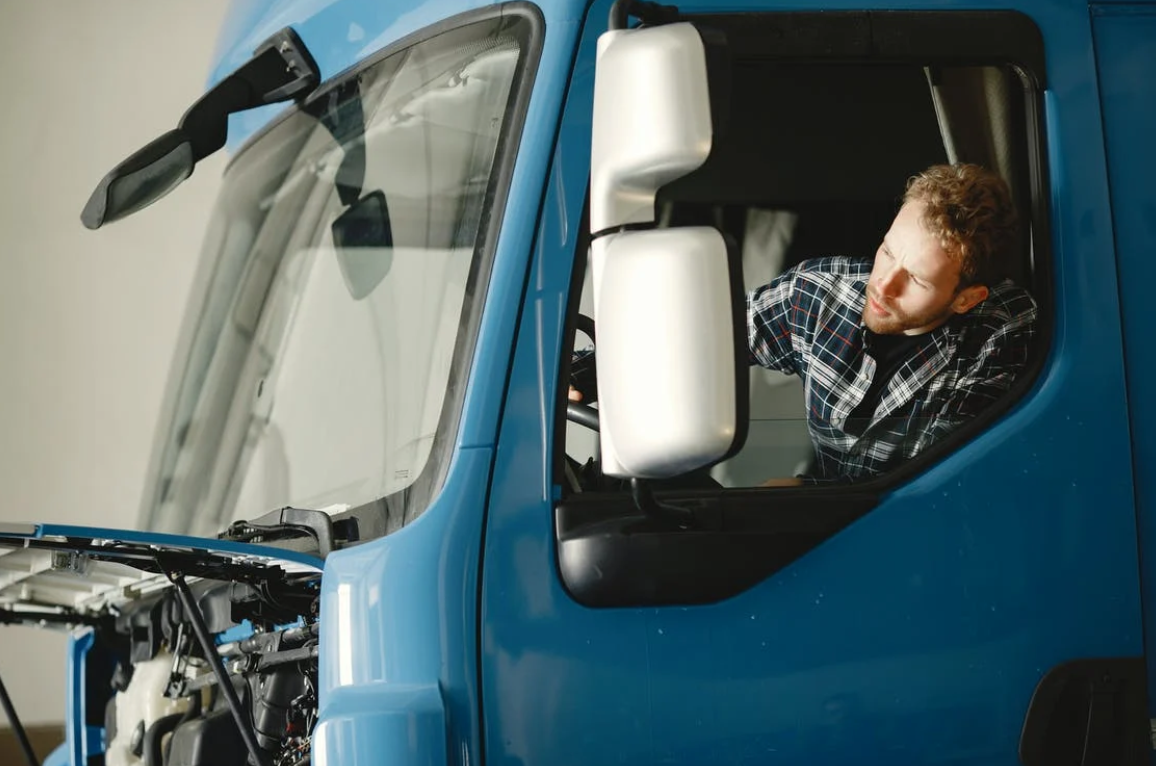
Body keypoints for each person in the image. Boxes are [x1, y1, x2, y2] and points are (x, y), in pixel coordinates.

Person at [748, 163, 1037, 484]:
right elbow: (704, 341)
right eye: (887, 251)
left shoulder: (997, 336)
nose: (883, 286)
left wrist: (806, 492)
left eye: (916, 279)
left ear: (966, 300)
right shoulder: (817, 292)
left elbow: (941, 482)